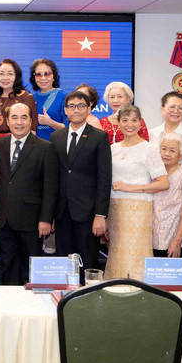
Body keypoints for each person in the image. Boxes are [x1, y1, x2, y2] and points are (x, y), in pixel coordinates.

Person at [0, 102, 56, 285]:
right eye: (14, 117)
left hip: (32, 221)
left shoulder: (45, 147)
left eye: (24, 117)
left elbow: (50, 187)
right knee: (7, 267)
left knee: (30, 270)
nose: (19, 122)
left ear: (31, 121)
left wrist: (46, 219)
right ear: (7, 122)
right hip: (4, 220)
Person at [49, 92, 111, 274]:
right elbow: (53, 178)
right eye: (72, 106)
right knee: (65, 263)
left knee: (88, 261)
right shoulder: (56, 137)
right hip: (62, 213)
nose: (76, 110)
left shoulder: (99, 137)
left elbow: (104, 178)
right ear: (66, 111)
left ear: (89, 109)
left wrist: (101, 215)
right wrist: (50, 214)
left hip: (88, 213)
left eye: (81, 106)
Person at [104, 104, 169, 279]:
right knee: (116, 254)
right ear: (118, 123)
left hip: (138, 210)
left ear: (140, 123)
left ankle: (137, 293)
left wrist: (129, 187)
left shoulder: (149, 149)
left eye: (134, 120)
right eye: (124, 120)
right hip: (115, 208)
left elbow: (164, 183)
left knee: (134, 255)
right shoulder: (113, 149)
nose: (129, 124)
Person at [152, 133, 182, 258]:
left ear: (180, 155)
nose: (166, 154)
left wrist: (177, 240)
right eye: (163, 149)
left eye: (172, 151)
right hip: (152, 239)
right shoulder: (152, 173)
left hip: (176, 240)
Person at [148, 91, 182, 170]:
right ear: (163, 109)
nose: (176, 111)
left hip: (180, 181)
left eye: (180, 108)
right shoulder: (151, 133)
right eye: (172, 107)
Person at [0, 59, 37, 138]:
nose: (5, 78)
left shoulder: (25, 97)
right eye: (2, 74)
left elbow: (32, 128)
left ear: (16, 76)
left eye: (10, 74)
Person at [31, 58, 66, 140]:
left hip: (56, 147)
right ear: (34, 78)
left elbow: (71, 128)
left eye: (47, 74)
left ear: (54, 76)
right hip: (35, 147)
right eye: (39, 74)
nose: (43, 78)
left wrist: (51, 123)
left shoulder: (63, 96)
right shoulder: (31, 98)